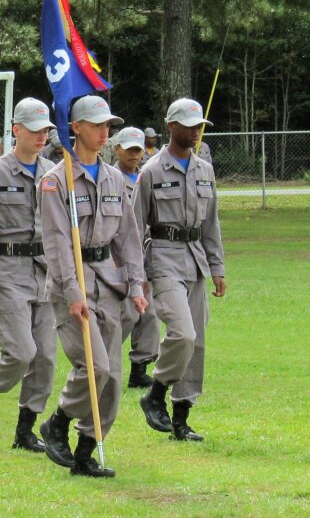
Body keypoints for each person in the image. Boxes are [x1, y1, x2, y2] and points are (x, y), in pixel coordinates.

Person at [38, 96, 147, 478]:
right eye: (97, 125)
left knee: (113, 379)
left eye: (108, 126)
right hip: (74, 283)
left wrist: (136, 283)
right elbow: (55, 243)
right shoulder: (55, 181)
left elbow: (129, 238)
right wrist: (73, 293)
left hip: (109, 283)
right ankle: (58, 420)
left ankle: (85, 451)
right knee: (96, 367)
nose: (105, 133)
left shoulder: (114, 178)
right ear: (76, 128)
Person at [0, 98, 57, 453]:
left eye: (46, 130)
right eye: (34, 130)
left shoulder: (53, 173)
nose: (41, 136)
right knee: (21, 352)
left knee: (45, 357)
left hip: (46, 273)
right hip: (8, 271)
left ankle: (25, 429)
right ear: (16, 130)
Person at [133, 98, 226, 443]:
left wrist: (217, 266)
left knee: (196, 342)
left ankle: (181, 419)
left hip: (196, 259)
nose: (197, 131)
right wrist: (137, 276)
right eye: (190, 125)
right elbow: (133, 225)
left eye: (200, 125)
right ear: (171, 127)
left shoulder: (205, 170)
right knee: (182, 333)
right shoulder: (152, 171)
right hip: (163, 257)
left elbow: (211, 222)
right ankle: (155, 392)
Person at [112, 127, 159, 388]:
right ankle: (103, 358)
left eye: (138, 149)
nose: (134, 154)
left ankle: (140, 368)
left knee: (148, 313)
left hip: (144, 252)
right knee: (127, 313)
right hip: (116, 255)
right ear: (117, 148)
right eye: (128, 148)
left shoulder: (146, 177)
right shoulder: (110, 178)